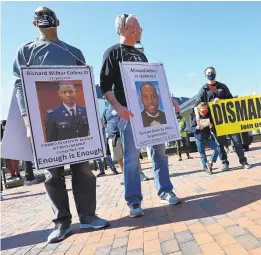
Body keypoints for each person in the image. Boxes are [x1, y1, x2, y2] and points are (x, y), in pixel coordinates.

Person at [13, 6, 109, 243]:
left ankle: (88, 216)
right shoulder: (26, 51)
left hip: (78, 123)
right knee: (51, 174)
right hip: (45, 123)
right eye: (39, 16)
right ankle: (62, 223)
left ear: (58, 21)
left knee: (83, 170)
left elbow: (85, 85)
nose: (44, 18)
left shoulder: (73, 51)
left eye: (48, 15)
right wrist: (27, 121)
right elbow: (19, 86)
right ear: (34, 23)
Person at [100, 14, 181, 218]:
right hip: (129, 114)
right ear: (127, 27)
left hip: (149, 113)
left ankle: (165, 190)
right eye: (138, 26)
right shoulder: (112, 53)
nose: (141, 29)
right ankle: (134, 201)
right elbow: (105, 86)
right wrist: (118, 108)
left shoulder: (141, 55)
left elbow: (152, 81)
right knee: (131, 158)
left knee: (160, 152)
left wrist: (169, 99)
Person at [195, 67, 250, 171]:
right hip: (215, 122)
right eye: (208, 73)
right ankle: (225, 163)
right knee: (220, 144)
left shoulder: (223, 87)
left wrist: (221, 100)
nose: (210, 74)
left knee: (237, 141)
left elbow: (231, 99)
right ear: (205, 75)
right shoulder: (203, 89)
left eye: (212, 72)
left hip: (228, 120)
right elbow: (197, 105)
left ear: (215, 73)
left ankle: (243, 161)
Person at [191, 103, 220, 175]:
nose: (204, 109)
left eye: (205, 108)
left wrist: (211, 125)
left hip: (207, 138)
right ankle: (206, 168)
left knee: (217, 148)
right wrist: (196, 128)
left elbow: (212, 127)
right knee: (202, 154)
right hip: (199, 139)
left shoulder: (209, 117)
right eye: (202, 108)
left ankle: (210, 162)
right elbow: (192, 129)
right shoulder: (196, 119)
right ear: (199, 110)